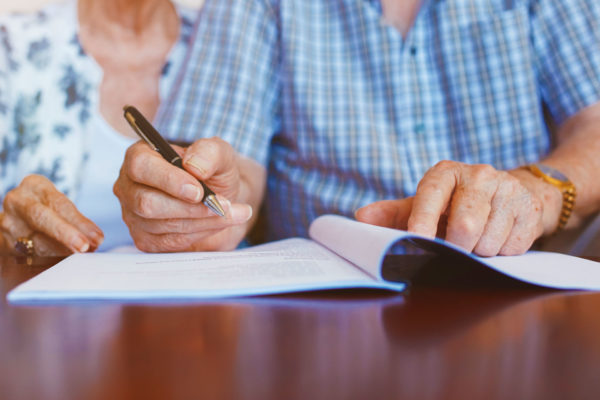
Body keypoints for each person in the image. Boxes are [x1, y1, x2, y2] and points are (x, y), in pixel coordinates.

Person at [114, 0, 600, 256]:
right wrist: (198, 202)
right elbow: (228, 165)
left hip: (521, 297)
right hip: (323, 321)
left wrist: (537, 193)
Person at [0, 0, 200, 255]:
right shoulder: (11, 47)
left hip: (200, 291)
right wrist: (13, 241)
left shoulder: (223, 46)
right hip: (57, 289)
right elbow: (9, 234)